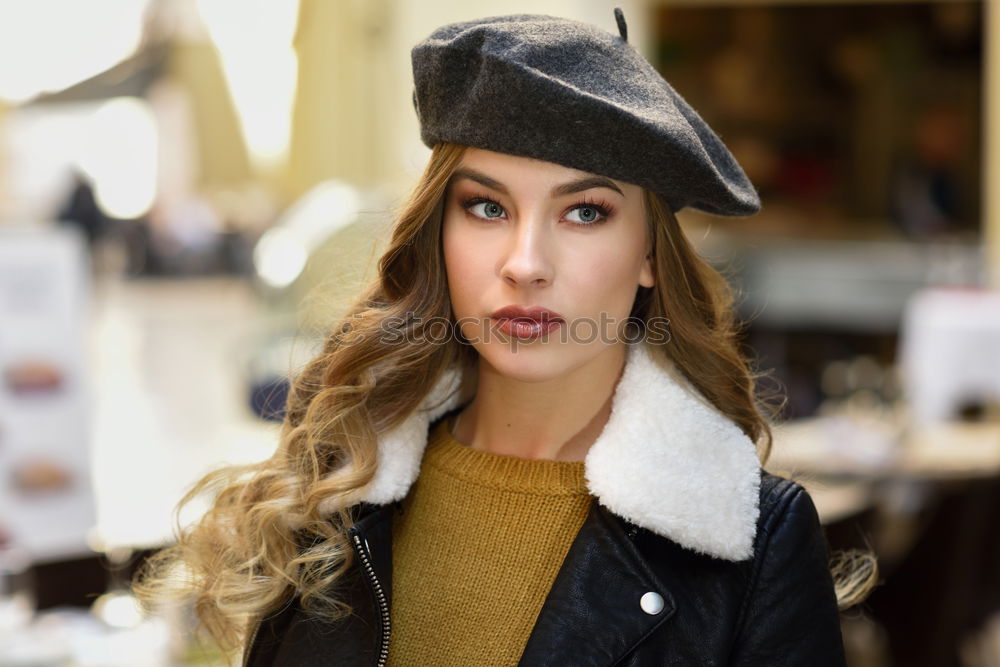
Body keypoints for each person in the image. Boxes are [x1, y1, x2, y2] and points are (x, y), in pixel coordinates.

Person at [137, 9, 869, 665]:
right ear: (439, 234)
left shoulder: (755, 544)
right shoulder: (336, 487)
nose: (525, 264)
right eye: (487, 207)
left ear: (649, 254)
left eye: (584, 212)